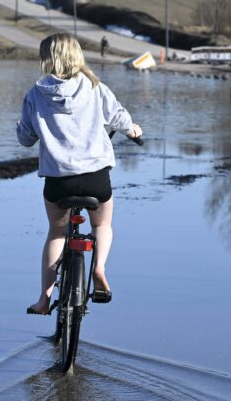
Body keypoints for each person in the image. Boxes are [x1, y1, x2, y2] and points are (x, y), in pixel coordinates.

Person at [17, 33, 142, 315]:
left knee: (56, 233)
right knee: (102, 225)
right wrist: (133, 130)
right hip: (95, 178)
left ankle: (44, 299)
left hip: (58, 181)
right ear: (77, 56)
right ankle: (98, 267)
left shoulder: (36, 94)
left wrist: (26, 128)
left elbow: (25, 138)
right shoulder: (95, 87)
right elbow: (120, 118)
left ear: (46, 58)